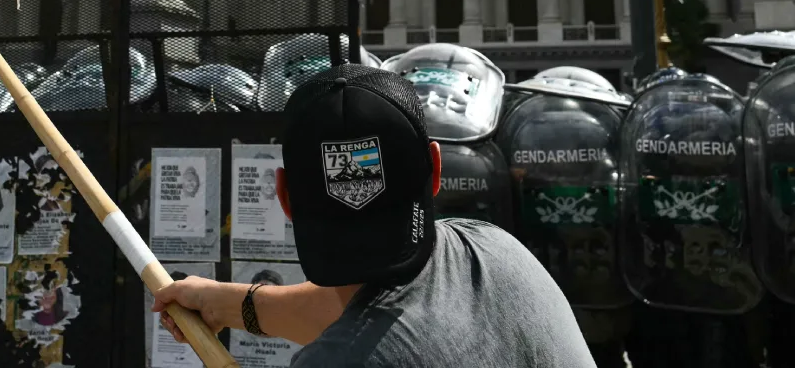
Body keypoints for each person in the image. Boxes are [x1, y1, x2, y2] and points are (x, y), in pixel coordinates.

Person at [154, 64, 595, 367]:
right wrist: (223, 303)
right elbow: (359, 315)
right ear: (435, 169)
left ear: (284, 196)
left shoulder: (340, 359)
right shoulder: (492, 249)